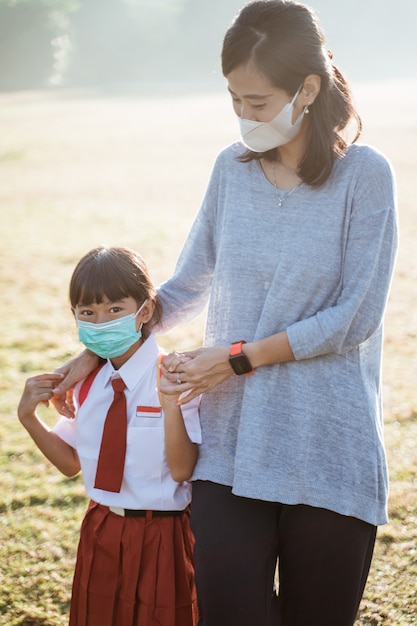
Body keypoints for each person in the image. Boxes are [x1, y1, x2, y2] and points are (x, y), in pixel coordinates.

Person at [52, 1, 398, 624]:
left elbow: (355, 319)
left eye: (258, 102)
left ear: (308, 89)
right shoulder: (230, 172)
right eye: (234, 99)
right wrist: (97, 348)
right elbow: (187, 285)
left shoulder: (364, 178)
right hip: (232, 445)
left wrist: (236, 359)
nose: (243, 115)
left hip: (326, 444)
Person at [18, 246, 201, 626]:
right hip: (102, 528)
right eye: (88, 313)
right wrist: (28, 418)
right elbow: (71, 463)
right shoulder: (88, 385)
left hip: (162, 536)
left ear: (145, 311)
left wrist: (168, 403)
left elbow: (183, 469)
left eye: (114, 310)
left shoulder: (174, 376)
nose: (101, 322)